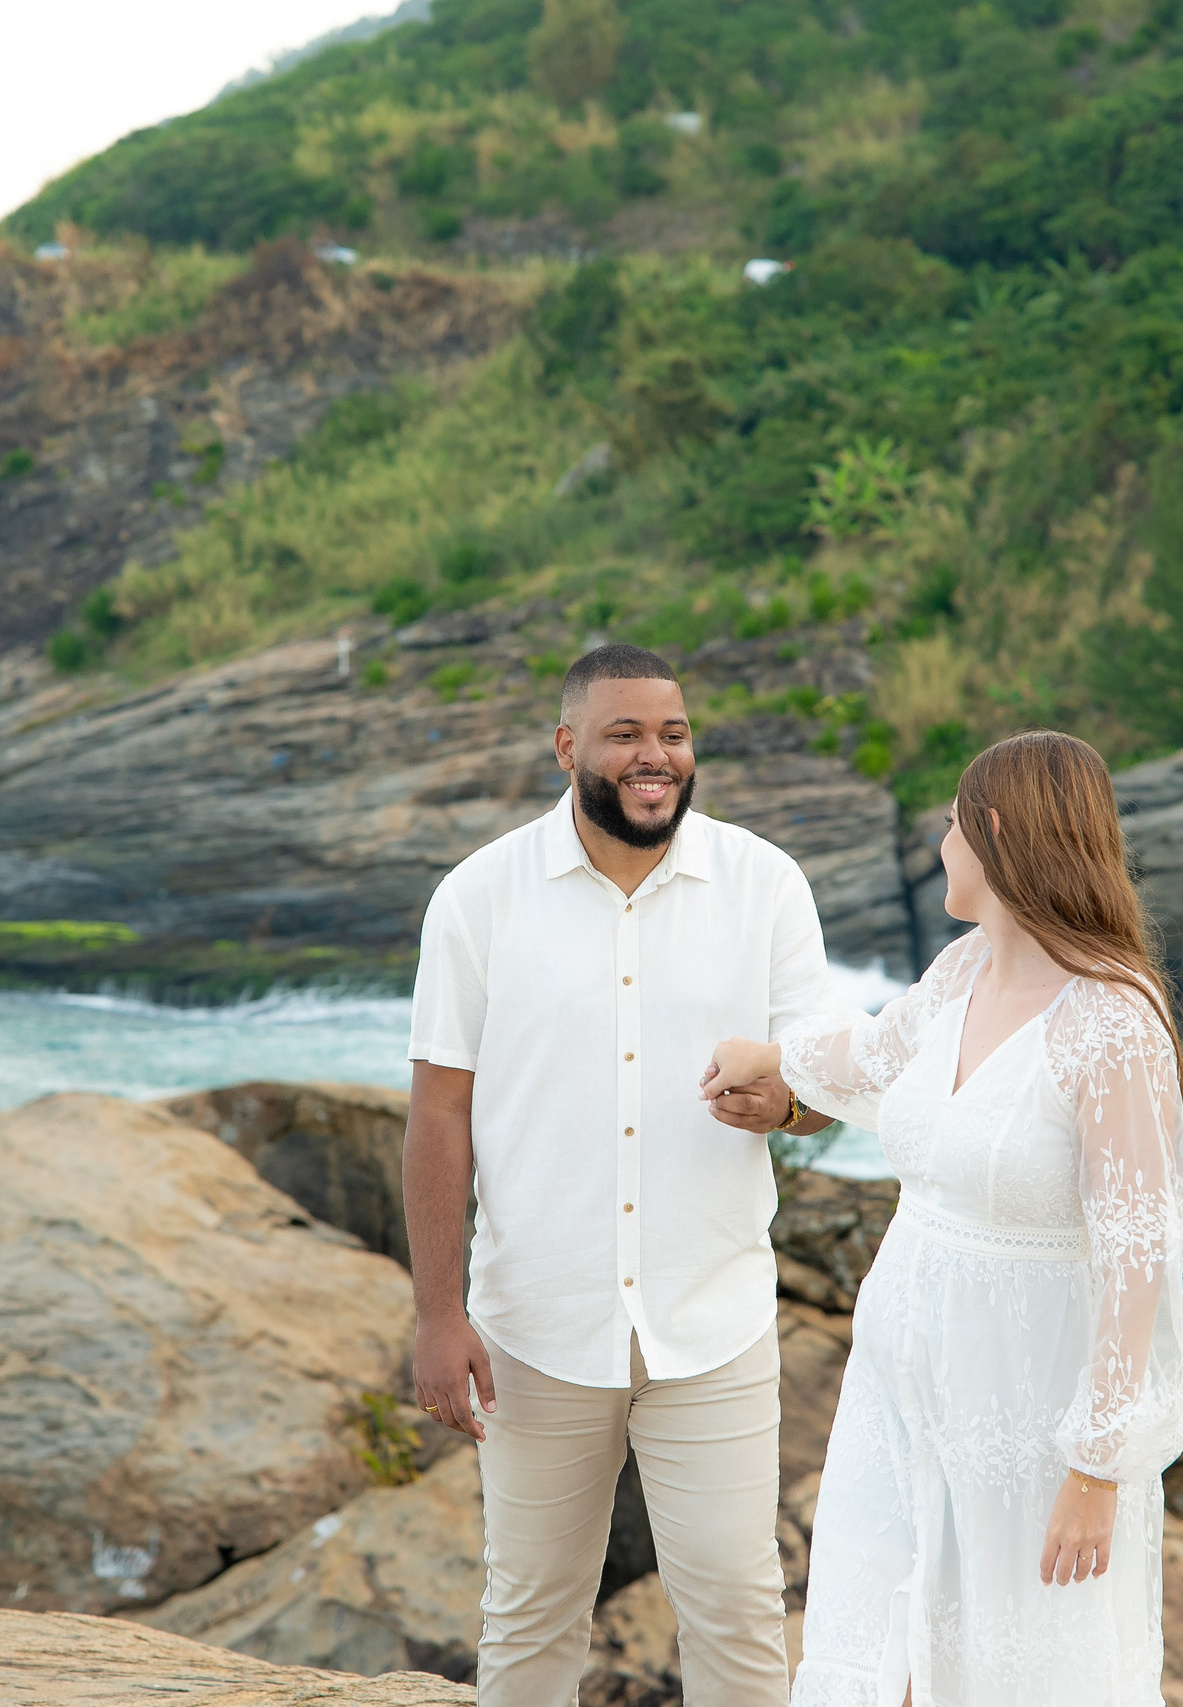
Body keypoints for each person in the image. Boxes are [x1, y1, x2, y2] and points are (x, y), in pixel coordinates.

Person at [700, 729, 1183, 1707]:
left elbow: (1140, 1246)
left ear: (998, 832)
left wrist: (1096, 1467)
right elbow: (874, 1060)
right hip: (900, 1392)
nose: (938, 844)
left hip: (1025, 1414)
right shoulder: (965, 971)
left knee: (1012, 1664)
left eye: (949, 824)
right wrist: (772, 1060)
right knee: (879, 1648)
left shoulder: (1113, 1018)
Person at [403, 643, 838, 1707]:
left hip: (713, 1321)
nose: (657, 756)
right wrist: (435, 1316)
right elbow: (438, 1117)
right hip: (533, 1330)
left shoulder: (765, 884)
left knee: (736, 1608)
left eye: (675, 733)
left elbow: (828, 1084)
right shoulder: (478, 898)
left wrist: (780, 1104)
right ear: (567, 748)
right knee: (530, 1610)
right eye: (627, 733)